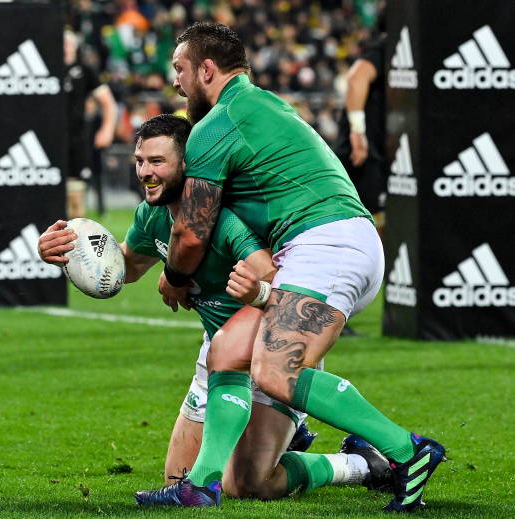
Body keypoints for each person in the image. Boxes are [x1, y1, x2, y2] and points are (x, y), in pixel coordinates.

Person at [135, 23, 445, 512]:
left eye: (180, 69)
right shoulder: (266, 105)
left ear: (207, 69)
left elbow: (192, 233)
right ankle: (202, 485)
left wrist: (172, 277)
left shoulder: (218, 124)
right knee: (227, 351)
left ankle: (408, 451)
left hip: (323, 245)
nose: (175, 82)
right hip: (335, 243)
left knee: (276, 372)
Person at [38, 114, 391, 501]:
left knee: (249, 484)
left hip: (266, 349)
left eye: (158, 162)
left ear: (187, 165)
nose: (145, 172)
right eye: (140, 161)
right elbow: (125, 269)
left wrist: (252, 290)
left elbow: (271, 276)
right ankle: (279, 439)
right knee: (178, 480)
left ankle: (361, 464)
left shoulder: (224, 218)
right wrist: (67, 255)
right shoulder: (151, 216)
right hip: (218, 356)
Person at [332, 8, 387, 239]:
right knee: (364, 219)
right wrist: (358, 132)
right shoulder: (386, 47)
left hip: (372, 148)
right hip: (362, 150)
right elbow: (356, 78)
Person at [63, 29, 117, 218]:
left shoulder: (84, 70)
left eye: (68, 44)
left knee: (75, 195)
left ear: (75, 47)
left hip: (76, 140)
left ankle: (75, 242)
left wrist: (107, 130)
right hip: (49, 139)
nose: (65, 48)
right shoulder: (46, 68)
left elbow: (108, 103)